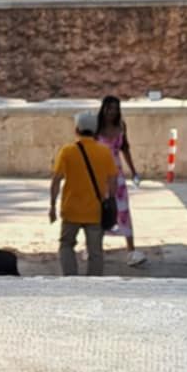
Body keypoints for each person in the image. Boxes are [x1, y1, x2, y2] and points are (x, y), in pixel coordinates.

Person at [49, 109, 119, 276]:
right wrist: (110, 200)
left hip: (71, 209)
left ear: (77, 130)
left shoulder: (67, 151)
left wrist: (52, 206)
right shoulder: (104, 152)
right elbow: (113, 181)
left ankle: (71, 278)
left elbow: (56, 180)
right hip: (95, 211)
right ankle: (93, 284)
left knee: (66, 245)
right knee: (95, 251)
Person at [96, 94, 146, 267]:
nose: (111, 112)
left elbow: (125, 149)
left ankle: (131, 250)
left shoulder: (121, 127)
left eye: (115, 109)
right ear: (103, 109)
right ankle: (95, 248)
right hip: (100, 175)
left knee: (123, 210)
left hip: (117, 176)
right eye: (109, 109)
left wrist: (134, 171)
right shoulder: (96, 128)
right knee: (100, 211)